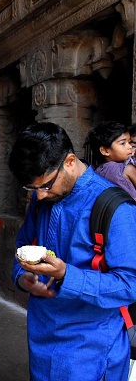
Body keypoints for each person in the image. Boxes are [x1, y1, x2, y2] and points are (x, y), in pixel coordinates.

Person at [9, 121, 136, 381]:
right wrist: (22, 278)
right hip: (41, 336)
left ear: (69, 161)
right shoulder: (39, 199)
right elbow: (22, 246)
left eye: (45, 186)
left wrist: (68, 275)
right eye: (33, 189)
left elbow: (129, 285)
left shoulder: (116, 207)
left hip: (90, 347)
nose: (41, 196)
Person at [85, 121, 136, 200]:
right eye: (123, 143)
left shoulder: (96, 171)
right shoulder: (127, 169)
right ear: (105, 151)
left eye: (129, 142)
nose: (129, 146)